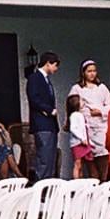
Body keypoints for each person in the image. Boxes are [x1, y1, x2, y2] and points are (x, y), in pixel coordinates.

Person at [69, 60, 110, 181]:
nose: (92, 74)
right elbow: (71, 104)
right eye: (89, 71)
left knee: (103, 157)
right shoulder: (77, 88)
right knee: (89, 160)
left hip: (101, 127)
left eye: (94, 71)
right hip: (86, 128)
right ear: (83, 73)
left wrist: (100, 111)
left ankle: (104, 183)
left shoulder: (102, 88)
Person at [26, 52, 61, 180]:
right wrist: (49, 110)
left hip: (50, 124)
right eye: (55, 65)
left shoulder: (46, 80)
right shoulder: (35, 78)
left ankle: (49, 185)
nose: (56, 69)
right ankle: (40, 186)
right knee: (44, 158)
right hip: (42, 123)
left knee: (51, 158)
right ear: (48, 63)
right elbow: (34, 98)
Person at [65, 94, 93, 180]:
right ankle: (76, 180)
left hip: (83, 142)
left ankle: (80, 179)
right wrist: (82, 138)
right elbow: (73, 128)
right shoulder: (74, 115)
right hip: (78, 143)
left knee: (81, 164)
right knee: (77, 163)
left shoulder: (79, 115)